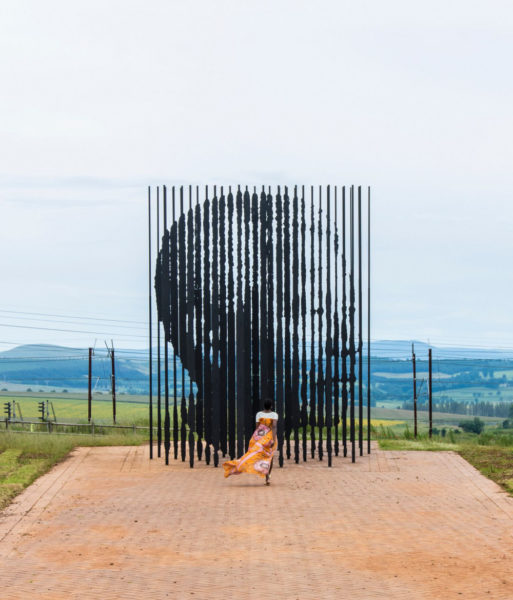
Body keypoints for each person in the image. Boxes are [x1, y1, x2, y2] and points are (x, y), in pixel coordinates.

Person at [223, 398, 278, 485]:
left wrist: (256, 438)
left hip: (259, 436)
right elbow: (274, 426)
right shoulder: (274, 415)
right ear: (271, 406)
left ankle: (237, 465)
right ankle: (267, 477)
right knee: (269, 457)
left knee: (252, 455)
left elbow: (257, 428)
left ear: (264, 406)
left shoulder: (259, 414)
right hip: (269, 438)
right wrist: (273, 440)